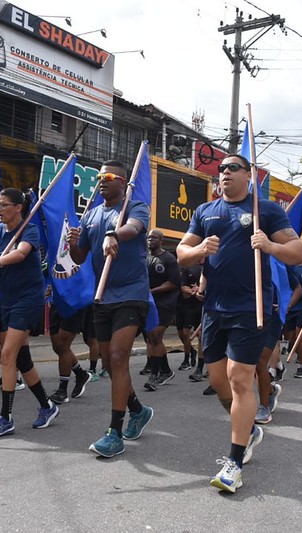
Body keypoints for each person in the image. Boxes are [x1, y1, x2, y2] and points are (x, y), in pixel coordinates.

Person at [177, 153, 302, 493]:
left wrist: (270, 246)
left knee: (239, 378)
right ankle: (247, 431)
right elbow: (182, 252)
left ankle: (234, 462)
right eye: (221, 169)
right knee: (219, 381)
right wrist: (200, 248)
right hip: (214, 309)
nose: (225, 173)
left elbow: (298, 252)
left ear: (248, 175)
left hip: (251, 307)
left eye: (233, 168)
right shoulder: (205, 212)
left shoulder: (266, 210)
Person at [68, 160, 154, 458]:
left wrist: (115, 234)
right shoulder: (91, 214)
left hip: (131, 294)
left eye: (108, 177)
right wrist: (74, 244)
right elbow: (80, 257)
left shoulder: (135, 205)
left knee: (118, 357)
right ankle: (138, 410)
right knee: (109, 363)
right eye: (99, 177)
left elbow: (135, 227)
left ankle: (114, 432)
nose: (101, 181)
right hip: (102, 296)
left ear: (122, 182)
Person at [0, 188, 59, 437]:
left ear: (18, 207)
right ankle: (47, 406)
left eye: (4, 205)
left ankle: (6, 418)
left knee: (7, 353)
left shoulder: (30, 229)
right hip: (7, 297)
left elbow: (21, 252)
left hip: (28, 298)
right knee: (22, 359)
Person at [143, 229, 180, 391]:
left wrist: (152, 291)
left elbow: (173, 282)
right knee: (150, 338)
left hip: (165, 303)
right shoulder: (145, 257)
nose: (150, 240)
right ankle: (166, 371)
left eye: (154, 238)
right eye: (148, 238)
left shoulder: (169, 258)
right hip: (148, 303)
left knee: (156, 335)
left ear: (161, 241)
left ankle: (155, 375)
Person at [48, 298, 92, 404]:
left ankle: (62, 391)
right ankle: (81, 374)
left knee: (63, 345)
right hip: (56, 301)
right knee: (57, 347)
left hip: (73, 301)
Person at [176, 260, 203, 374]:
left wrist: (200, 291)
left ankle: (189, 361)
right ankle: (191, 351)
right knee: (182, 334)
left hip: (201, 306)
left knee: (198, 335)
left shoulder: (208, 268)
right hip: (185, 306)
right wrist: (192, 290)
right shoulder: (187, 268)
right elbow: (182, 287)